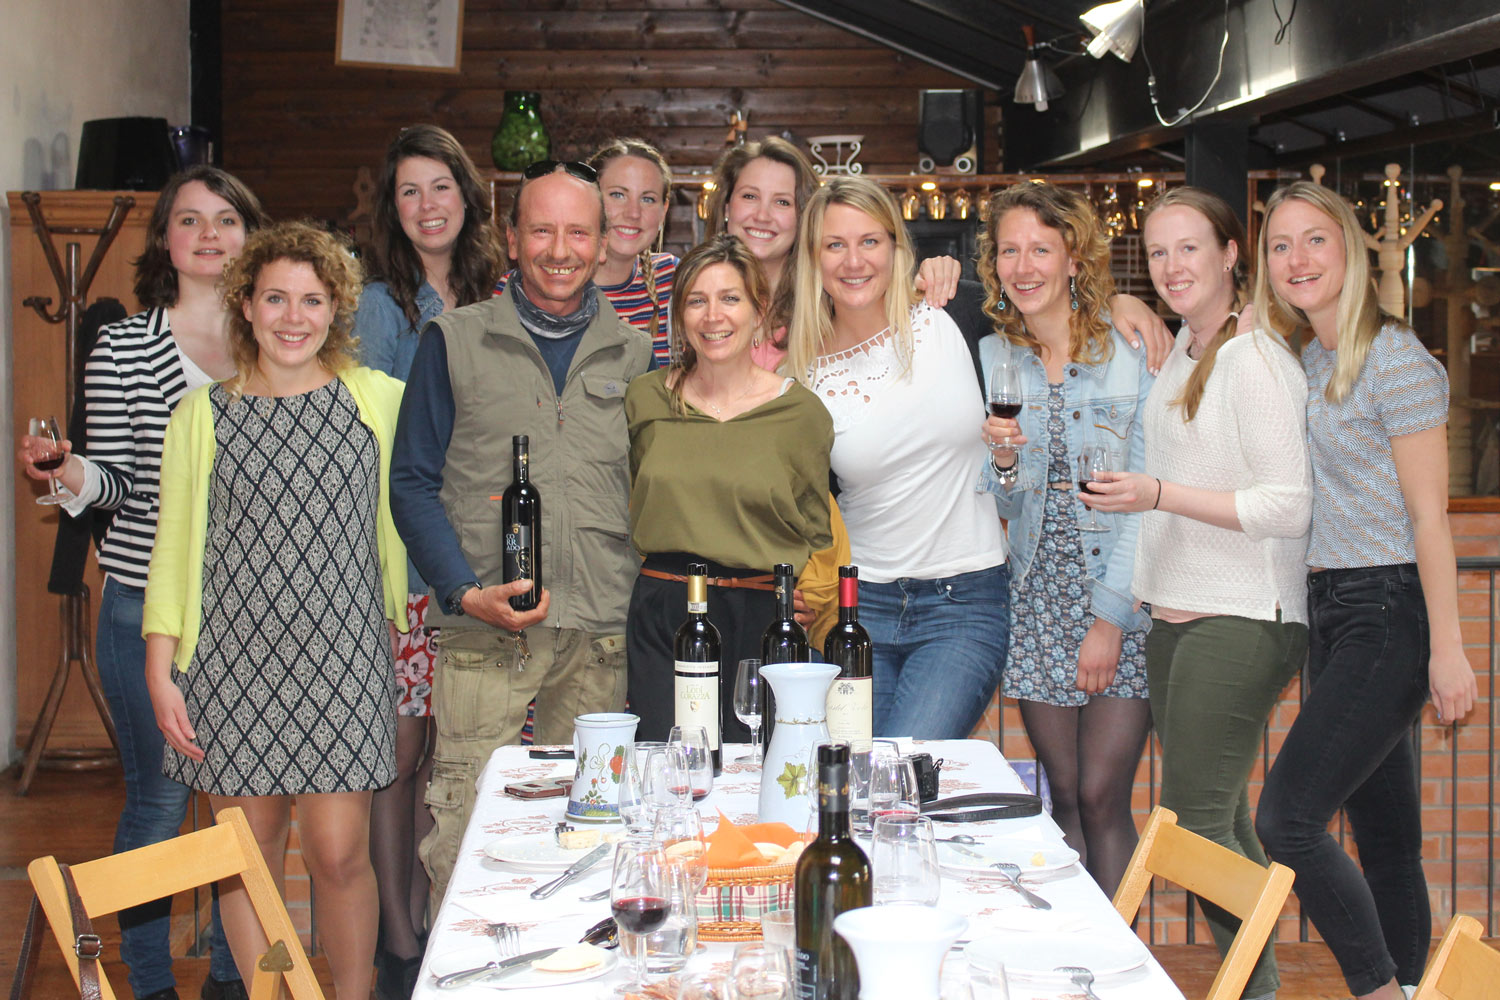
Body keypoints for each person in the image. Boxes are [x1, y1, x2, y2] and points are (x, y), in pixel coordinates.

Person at [17, 166, 266, 1000]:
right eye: (188, 220)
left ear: (250, 235)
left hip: (258, 618)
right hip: (144, 608)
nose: (207, 234)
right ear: (164, 240)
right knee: (159, 809)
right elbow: (115, 480)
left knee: (248, 813)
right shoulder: (126, 344)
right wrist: (65, 473)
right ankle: (150, 984)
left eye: (225, 219)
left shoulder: (278, 336)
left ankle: (232, 982)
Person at [143, 221, 409, 1000]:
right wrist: (162, 671)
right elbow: (175, 551)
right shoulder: (201, 417)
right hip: (230, 667)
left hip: (344, 658)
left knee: (338, 855)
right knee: (248, 860)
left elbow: (426, 503)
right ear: (247, 307)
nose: (294, 318)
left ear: (336, 311)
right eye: (276, 299)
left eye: (313, 301)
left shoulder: (380, 404)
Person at [390, 161, 653, 911]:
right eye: (542, 229)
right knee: (470, 839)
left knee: (596, 841)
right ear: (512, 239)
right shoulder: (454, 340)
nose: (560, 248)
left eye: (578, 231)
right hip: (485, 636)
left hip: (601, 642)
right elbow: (410, 481)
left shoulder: (636, 357)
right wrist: (463, 593)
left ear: (603, 244)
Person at [1247, 182, 1477, 1000]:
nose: (1298, 259)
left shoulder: (1398, 360)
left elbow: (1430, 521)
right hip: (1333, 614)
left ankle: (1381, 991)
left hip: (1390, 612)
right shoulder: (1307, 358)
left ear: (1348, 249)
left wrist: (1448, 650)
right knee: (1387, 842)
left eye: (1315, 241)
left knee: (1287, 820)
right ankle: (1412, 986)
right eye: (1280, 246)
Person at [1085, 187, 1310, 997]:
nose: (1173, 267)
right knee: (1216, 814)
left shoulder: (1257, 361)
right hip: (1177, 614)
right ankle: (1260, 981)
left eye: (1190, 249)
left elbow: (1289, 504)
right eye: (1157, 253)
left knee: (1192, 819)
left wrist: (1157, 496)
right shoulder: (1185, 348)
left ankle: (1256, 985)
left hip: (1245, 613)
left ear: (1229, 255)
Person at [354, 123, 503, 1000]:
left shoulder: (496, 290)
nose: (426, 206)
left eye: (439, 187)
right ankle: (398, 933)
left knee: (452, 747)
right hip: (406, 559)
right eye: (408, 192)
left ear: (466, 195)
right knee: (399, 751)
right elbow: (382, 438)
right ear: (392, 207)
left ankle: (428, 907)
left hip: (477, 556)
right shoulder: (378, 304)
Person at [976, 182, 1152, 897]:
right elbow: (1010, 502)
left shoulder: (1128, 350)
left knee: (1107, 796)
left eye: (1040, 249)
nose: (1024, 266)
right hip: (1037, 601)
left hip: (1117, 595)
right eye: (1010, 250)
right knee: (1068, 797)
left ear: (1072, 257)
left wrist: (1111, 619)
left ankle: (1117, 967)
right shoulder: (994, 356)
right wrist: (1007, 462)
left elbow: (1149, 496)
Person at [788, 176, 1008, 740]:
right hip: (856, 605)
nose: (853, 260)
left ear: (896, 247)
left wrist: (1132, 307)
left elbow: (1050, 306)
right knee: (850, 778)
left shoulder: (951, 313)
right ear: (814, 257)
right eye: (834, 244)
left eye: (870, 241)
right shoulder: (800, 370)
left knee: (897, 769)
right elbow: (796, 499)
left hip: (963, 602)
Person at [625, 234, 832, 743]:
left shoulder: (800, 413)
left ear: (759, 312)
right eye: (696, 300)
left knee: (758, 776)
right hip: (665, 612)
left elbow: (814, 527)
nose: (713, 315)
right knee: (667, 770)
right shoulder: (644, 399)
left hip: (762, 618)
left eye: (730, 298)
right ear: (679, 317)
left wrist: (807, 599)